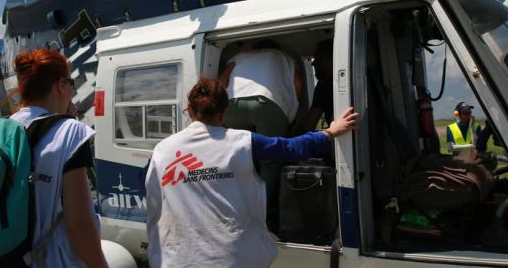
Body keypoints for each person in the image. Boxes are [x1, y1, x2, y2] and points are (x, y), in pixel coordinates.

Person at [144, 78, 358, 268]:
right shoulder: (241, 142)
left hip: (177, 260)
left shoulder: (163, 150)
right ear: (225, 111)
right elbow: (291, 148)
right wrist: (331, 132)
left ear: (188, 110)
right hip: (234, 259)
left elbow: (147, 186)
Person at [10, 48, 107, 268]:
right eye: (70, 84)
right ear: (60, 86)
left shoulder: (5, 126)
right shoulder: (71, 132)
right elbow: (79, 222)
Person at [218, 40, 303, 232]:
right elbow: (297, 83)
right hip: (269, 104)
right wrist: (293, 112)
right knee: (270, 162)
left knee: (238, 158)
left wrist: (220, 114)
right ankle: (262, 217)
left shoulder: (239, 56)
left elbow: (222, 82)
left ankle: (236, 210)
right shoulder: (285, 57)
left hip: (233, 105)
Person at [296, 39, 334, 133]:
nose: (313, 63)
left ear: (327, 61)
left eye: (317, 58)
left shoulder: (324, 85)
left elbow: (309, 126)